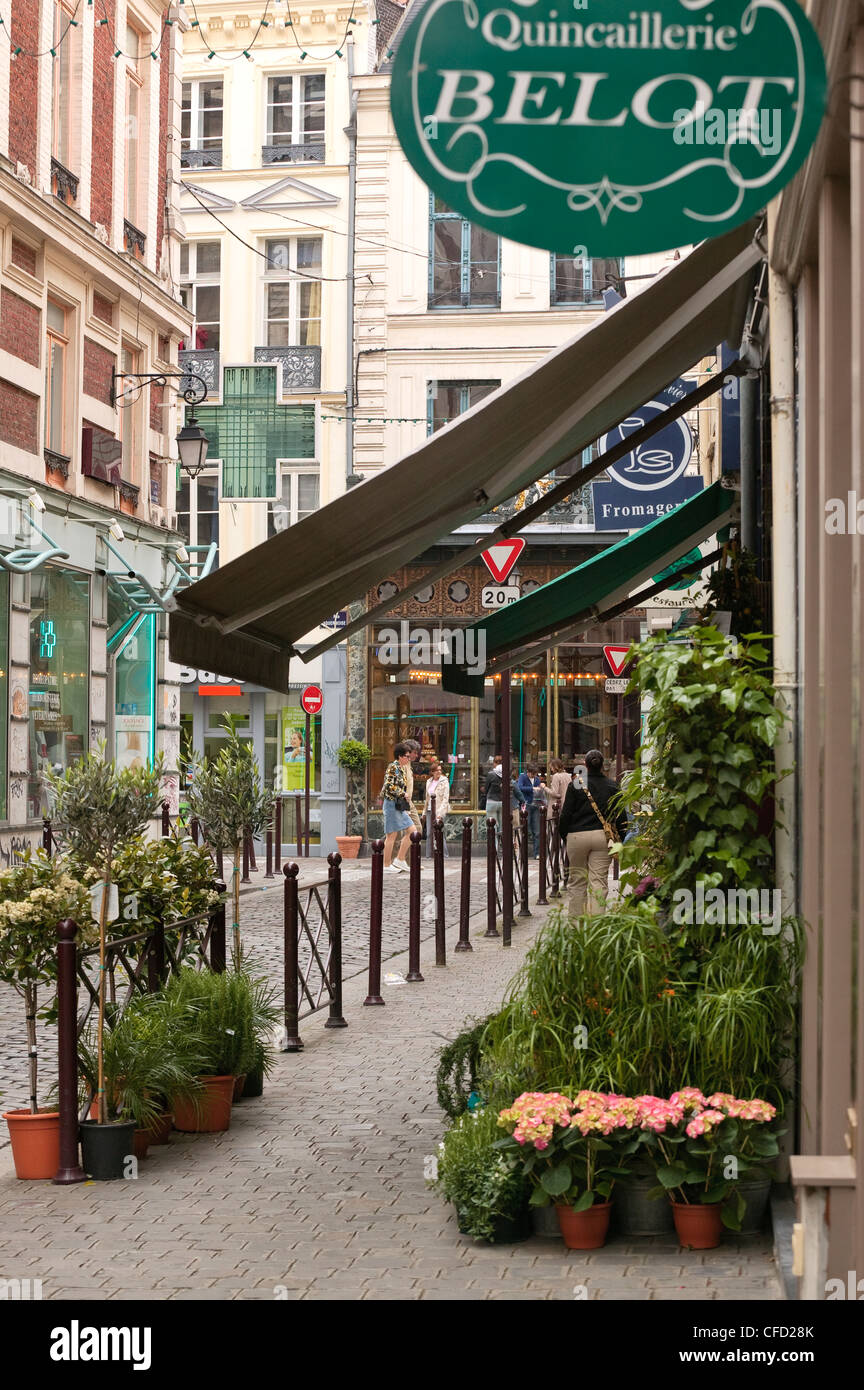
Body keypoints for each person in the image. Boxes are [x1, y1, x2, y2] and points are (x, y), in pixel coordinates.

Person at [558, 749, 628, 917]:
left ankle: (577, 926)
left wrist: (565, 835)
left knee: (577, 881)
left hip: (577, 835)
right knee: (598, 882)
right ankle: (596, 925)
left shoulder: (576, 784)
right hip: (602, 837)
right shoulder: (612, 786)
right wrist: (620, 839)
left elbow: (566, 814)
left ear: (586, 766)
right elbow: (621, 817)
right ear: (602, 766)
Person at [381, 742, 414, 872]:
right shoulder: (393, 767)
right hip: (391, 804)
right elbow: (389, 785)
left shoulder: (401, 768)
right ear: (400, 756)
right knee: (392, 835)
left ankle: (400, 860)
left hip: (398, 806)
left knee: (412, 831)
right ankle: (386, 865)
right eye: (407, 756)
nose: (409, 758)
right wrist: (403, 793)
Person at [424, 757, 450, 858]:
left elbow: (445, 798)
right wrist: (424, 813)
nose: (439, 772)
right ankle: (429, 855)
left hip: (439, 810)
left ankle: (444, 854)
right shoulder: (428, 781)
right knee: (429, 833)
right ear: (432, 772)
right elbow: (427, 799)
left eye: (440, 770)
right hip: (430, 809)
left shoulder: (444, 781)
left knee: (439, 832)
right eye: (437, 770)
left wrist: (440, 813)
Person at [518, 762, 541, 858]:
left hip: (536, 805)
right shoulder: (522, 777)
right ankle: (523, 853)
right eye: (532, 774)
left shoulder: (537, 779)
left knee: (537, 831)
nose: (534, 776)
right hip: (526, 804)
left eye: (535, 774)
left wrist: (539, 789)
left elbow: (539, 789)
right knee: (525, 829)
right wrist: (532, 788)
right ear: (528, 772)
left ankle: (537, 853)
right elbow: (520, 787)